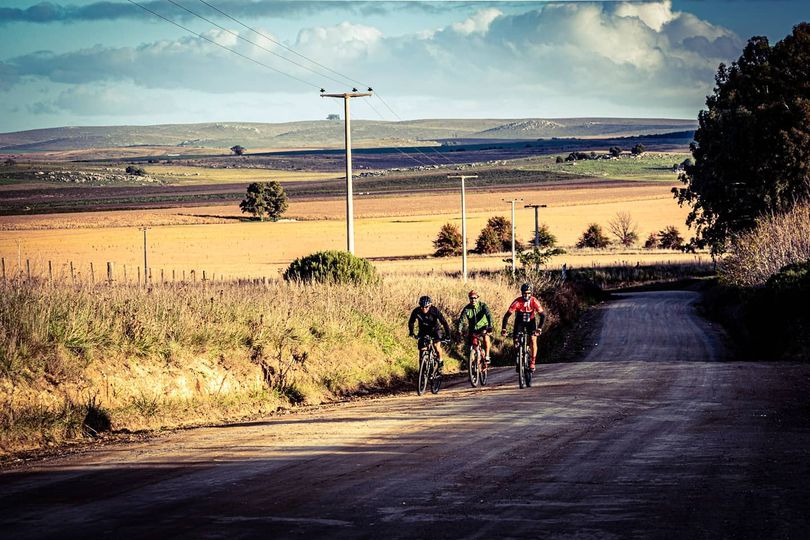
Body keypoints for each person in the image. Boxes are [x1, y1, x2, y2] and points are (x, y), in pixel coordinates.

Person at [501, 283, 546, 371]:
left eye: (529, 293)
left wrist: (539, 328)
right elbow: (506, 316)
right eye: (525, 293)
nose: (527, 295)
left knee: (533, 339)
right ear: (522, 293)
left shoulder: (534, 301)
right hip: (519, 322)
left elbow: (543, 316)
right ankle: (519, 358)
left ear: (531, 293)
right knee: (516, 342)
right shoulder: (517, 301)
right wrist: (504, 329)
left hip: (531, 322)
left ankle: (532, 362)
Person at [408, 295, 451, 369]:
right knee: (422, 349)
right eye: (422, 307)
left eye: (426, 307)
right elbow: (411, 322)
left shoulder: (434, 310)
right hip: (423, 330)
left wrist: (448, 335)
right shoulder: (416, 311)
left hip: (435, 330)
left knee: (436, 346)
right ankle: (422, 369)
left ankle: (440, 361)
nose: (424, 309)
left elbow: (444, 322)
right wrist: (411, 332)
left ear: (430, 305)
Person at [456, 290, 494, 364]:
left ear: (477, 298)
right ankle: (472, 364)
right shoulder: (466, 309)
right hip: (473, 329)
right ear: (469, 299)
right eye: (471, 298)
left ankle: (487, 356)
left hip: (483, 326)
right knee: (471, 347)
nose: (473, 300)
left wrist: (490, 327)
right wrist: (459, 331)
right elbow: (461, 320)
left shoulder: (483, 306)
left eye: (475, 298)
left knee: (486, 337)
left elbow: (489, 316)